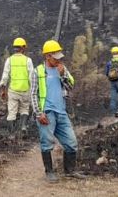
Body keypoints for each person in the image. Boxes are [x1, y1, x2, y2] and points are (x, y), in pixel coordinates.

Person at [30, 40, 86, 182]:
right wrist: (38, 113)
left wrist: (63, 75)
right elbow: (33, 94)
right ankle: (49, 172)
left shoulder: (62, 69)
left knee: (71, 143)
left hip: (62, 112)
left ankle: (69, 171)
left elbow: (70, 86)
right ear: (48, 56)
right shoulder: (38, 71)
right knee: (47, 143)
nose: (59, 59)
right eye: (56, 57)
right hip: (46, 113)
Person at [0, 37, 35, 137]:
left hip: (13, 90)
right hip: (25, 89)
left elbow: (5, 76)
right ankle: (23, 126)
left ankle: (11, 135)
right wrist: (33, 90)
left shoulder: (9, 60)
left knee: (12, 112)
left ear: (15, 48)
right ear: (23, 48)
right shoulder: (28, 60)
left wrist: (2, 89)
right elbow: (32, 76)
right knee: (24, 109)